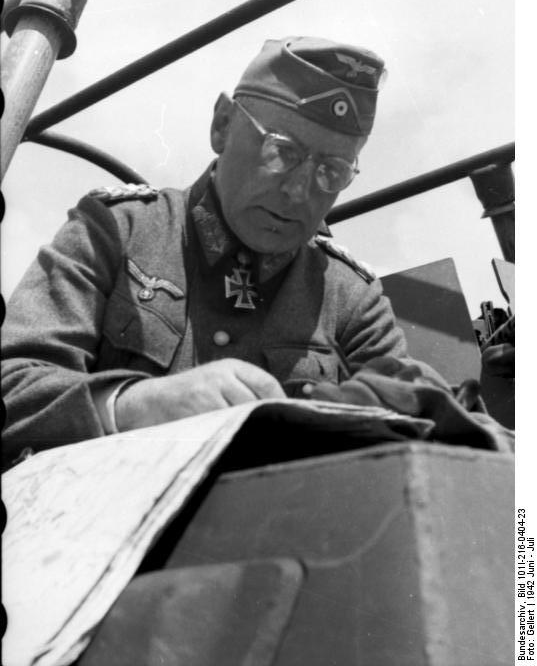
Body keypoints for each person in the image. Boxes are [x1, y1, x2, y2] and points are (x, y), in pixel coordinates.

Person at [1, 36, 513, 467]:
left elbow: (417, 421)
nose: (299, 192)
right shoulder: (117, 231)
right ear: (223, 124)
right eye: (282, 151)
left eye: (331, 172)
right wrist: (133, 404)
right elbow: (13, 386)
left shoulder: (350, 298)